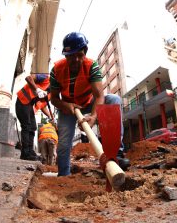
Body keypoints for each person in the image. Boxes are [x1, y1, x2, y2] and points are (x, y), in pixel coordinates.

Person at [50, 32, 130, 176]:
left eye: (79, 55)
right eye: (71, 56)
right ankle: (63, 174)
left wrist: (93, 116)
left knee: (113, 100)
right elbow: (54, 99)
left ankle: (116, 155)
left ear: (85, 52)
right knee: (63, 142)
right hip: (68, 107)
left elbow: (99, 95)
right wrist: (66, 106)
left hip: (88, 102)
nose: (76, 60)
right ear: (65, 56)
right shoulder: (56, 70)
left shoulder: (91, 65)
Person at [16, 73, 52, 161]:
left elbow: (42, 106)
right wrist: (37, 90)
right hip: (22, 100)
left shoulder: (51, 93)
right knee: (27, 126)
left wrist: (50, 116)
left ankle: (30, 151)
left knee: (33, 127)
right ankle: (25, 153)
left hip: (28, 104)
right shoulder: (46, 78)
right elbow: (28, 78)